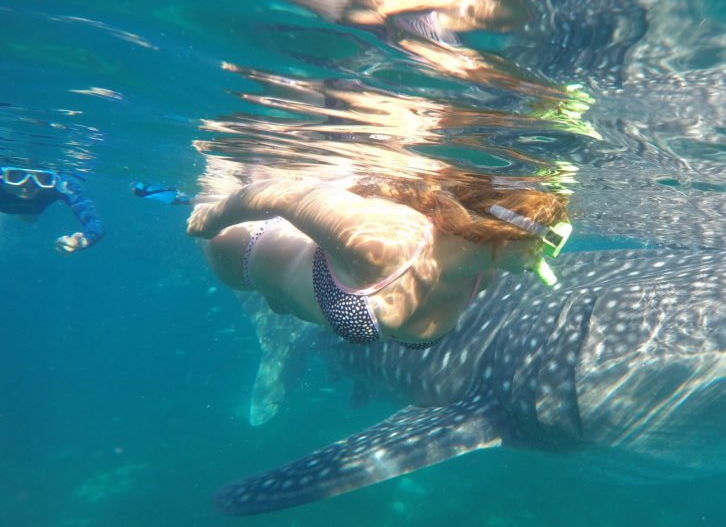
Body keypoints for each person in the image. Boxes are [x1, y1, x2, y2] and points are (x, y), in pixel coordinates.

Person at [186, 173, 571, 347]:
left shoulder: (483, 276)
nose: (556, 254)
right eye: (555, 241)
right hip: (242, 246)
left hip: (291, 288)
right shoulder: (388, 242)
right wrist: (210, 218)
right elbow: (283, 194)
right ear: (509, 234)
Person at [0, 165, 104, 253]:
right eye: (16, 176)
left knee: (28, 219)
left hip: (32, 211)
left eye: (42, 178)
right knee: (28, 217)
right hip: (30, 209)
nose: (29, 185)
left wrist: (83, 241)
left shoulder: (62, 184)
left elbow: (94, 222)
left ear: (53, 178)